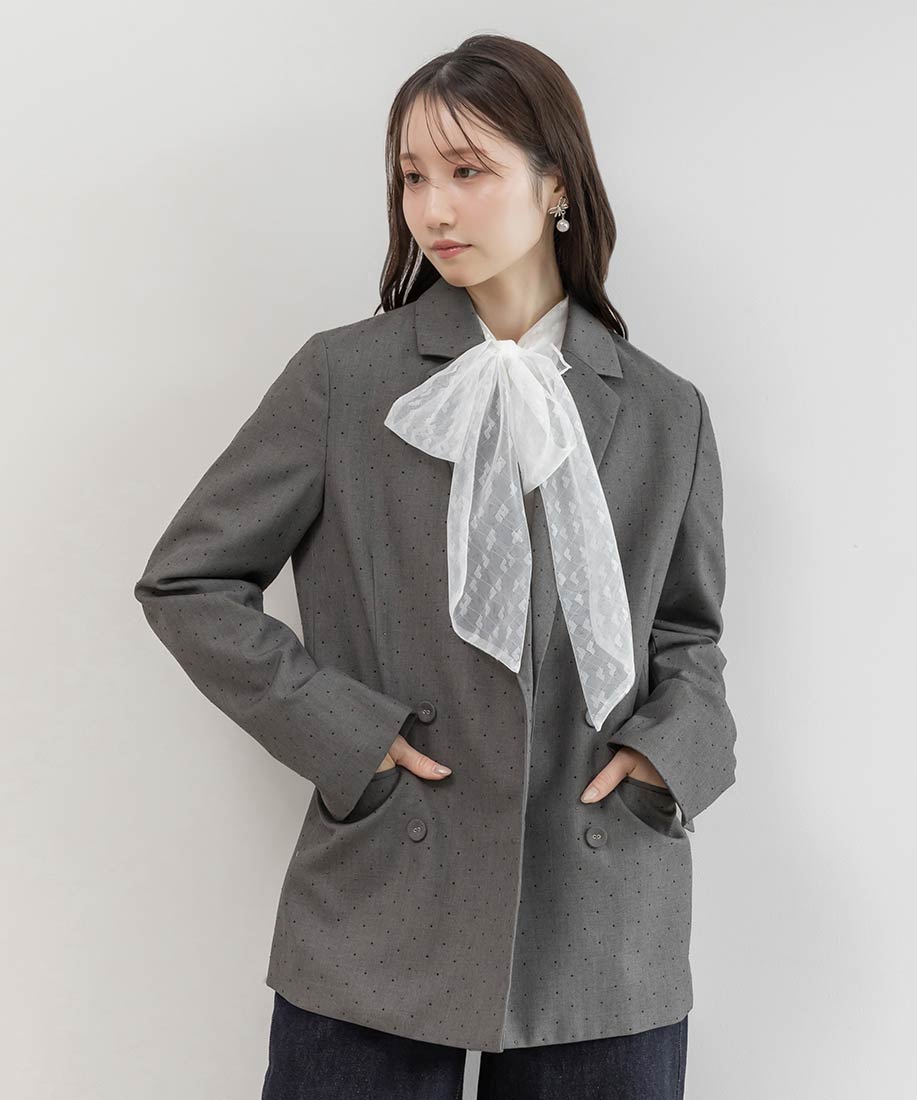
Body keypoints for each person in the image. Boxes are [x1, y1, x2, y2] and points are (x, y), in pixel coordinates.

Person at [134, 32, 736, 1100]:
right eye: (413, 175)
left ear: (556, 183)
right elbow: (189, 581)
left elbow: (685, 631)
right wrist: (348, 736)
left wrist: (666, 755)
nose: (433, 208)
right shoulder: (345, 378)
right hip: (385, 884)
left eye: (467, 170)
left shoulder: (662, 409)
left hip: (600, 896)